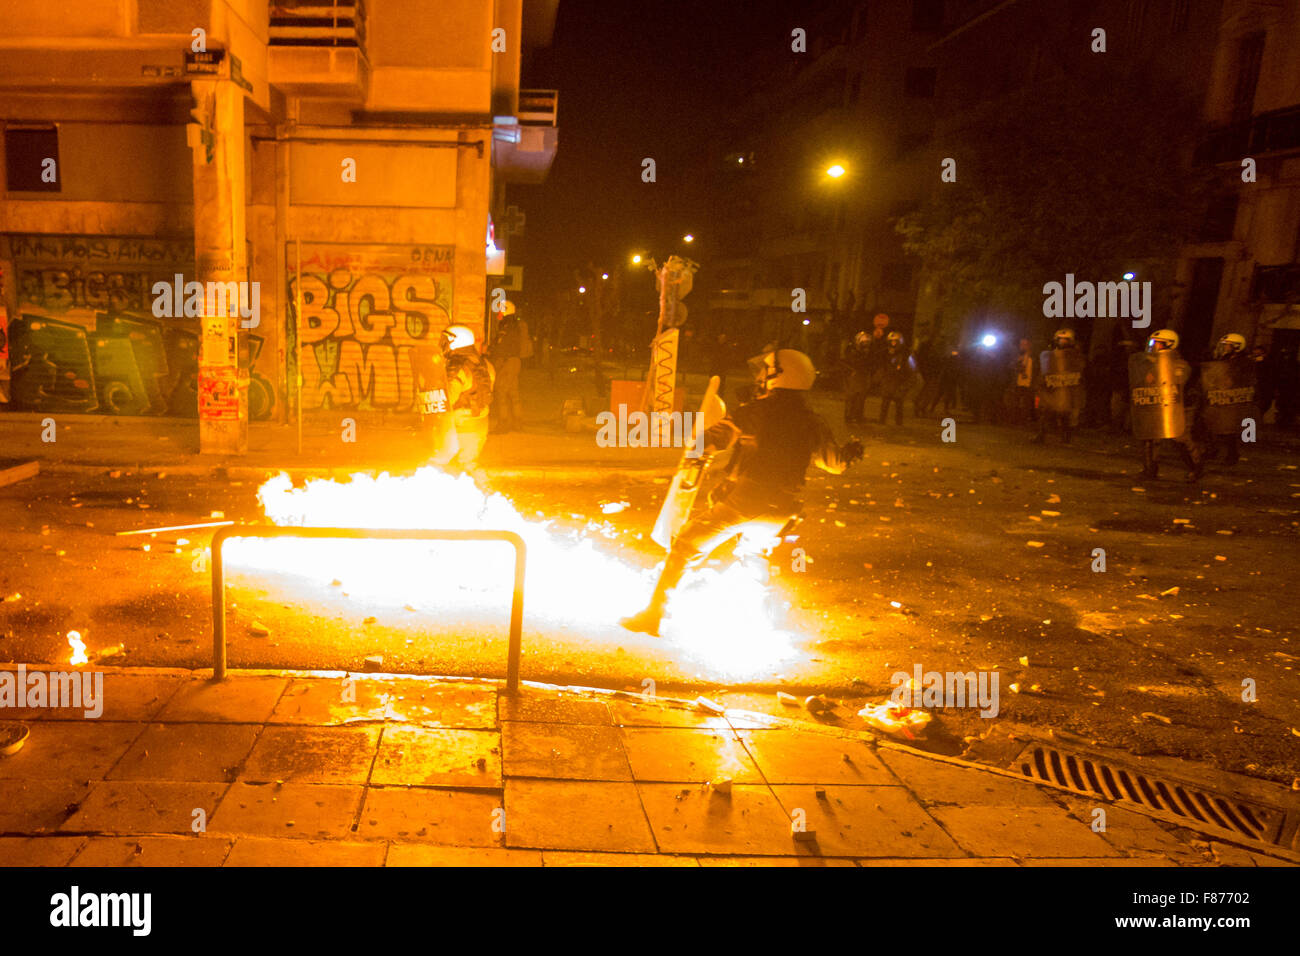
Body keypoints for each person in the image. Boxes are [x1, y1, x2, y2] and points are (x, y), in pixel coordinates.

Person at [620, 349, 864, 636]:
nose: (760, 376)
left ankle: (653, 615)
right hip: (785, 509)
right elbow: (835, 465)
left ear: (778, 376)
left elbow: (714, 439)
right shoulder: (813, 421)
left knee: (685, 547)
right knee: (753, 556)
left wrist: (697, 445)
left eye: (766, 371)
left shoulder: (754, 411)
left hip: (746, 501)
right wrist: (852, 451)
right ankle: (758, 624)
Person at [1129, 328, 1202, 482]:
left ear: (1169, 345)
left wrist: (1157, 367)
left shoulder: (1179, 364)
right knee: (1150, 435)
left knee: (1179, 437)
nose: (1153, 346)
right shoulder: (1147, 362)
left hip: (1177, 405)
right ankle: (1150, 470)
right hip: (1156, 403)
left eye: (1157, 343)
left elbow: (1179, 381)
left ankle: (1196, 467)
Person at [438, 324, 495, 472]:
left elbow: (447, 400)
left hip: (461, 427)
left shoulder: (456, 367)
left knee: (447, 469)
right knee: (468, 468)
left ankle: (487, 492)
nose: (443, 344)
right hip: (480, 425)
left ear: (455, 342)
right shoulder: (485, 364)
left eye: (446, 341)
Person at [1200, 332, 1256, 466]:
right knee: (1210, 424)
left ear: (1236, 347)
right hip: (1218, 395)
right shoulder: (1223, 359)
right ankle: (1212, 450)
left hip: (1232, 398)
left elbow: (1243, 379)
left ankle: (1232, 454)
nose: (1225, 348)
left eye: (1228, 346)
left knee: (1228, 428)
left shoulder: (1244, 362)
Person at [1033, 328, 1084, 444]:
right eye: (1060, 340)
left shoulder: (1076, 356)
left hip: (1067, 390)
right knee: (1046, 412)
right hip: (1053, 389)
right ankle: (1041, 435)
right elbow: (1043, 372)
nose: (1063, 342)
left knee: (1066, 414)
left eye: (1066, 340)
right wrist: (1042, 384)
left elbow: (1080, 372)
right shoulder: (1050, 355)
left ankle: (1066, 437)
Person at [489, 302, 527, 433]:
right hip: (514, 361)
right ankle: (518, 423)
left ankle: (503, 424)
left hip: (507, 362)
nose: (498, 313)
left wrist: (490, 353)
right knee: (513, 393)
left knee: (501, 392)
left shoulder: (506, 326)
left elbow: (501, 346)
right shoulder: (515, 325)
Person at [878, 331, 915, 425]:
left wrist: (905, 385)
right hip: (888, 381)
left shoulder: (906, 354)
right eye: (891, 341)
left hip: (900, 382)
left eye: (895, 341)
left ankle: (898, 423)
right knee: (885, 403)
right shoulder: (885, 353)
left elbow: (912, 370)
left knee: (899, 403)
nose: (893, 343)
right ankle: (882, 421)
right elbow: (881, 366)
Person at [843, 331, 871, 424]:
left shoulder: (867, 352)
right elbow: (849, 362)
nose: (866, 344)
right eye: (864, 342)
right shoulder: (852, 350)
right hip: (853, 376)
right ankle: (849, 416)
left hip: (863, 376)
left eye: (867, 342)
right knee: (852, 397)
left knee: (861, 398)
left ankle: (858, 416)